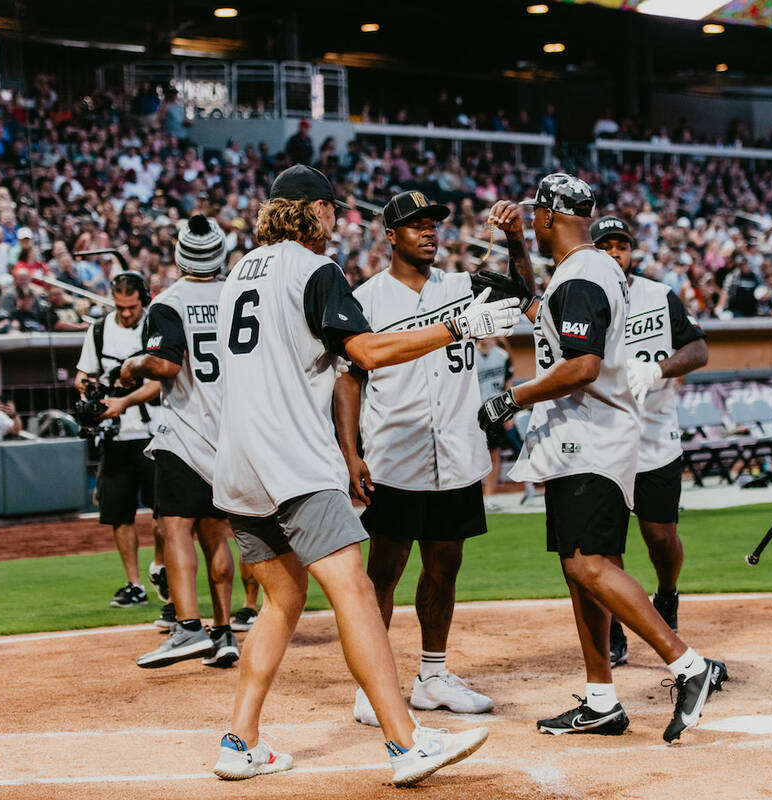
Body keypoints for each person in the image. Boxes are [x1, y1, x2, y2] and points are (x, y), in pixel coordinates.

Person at [210, 165, 511, 785]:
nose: (338, 221)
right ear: (315, 211)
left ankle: (239, 741)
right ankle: (405, 744)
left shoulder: (239, 269)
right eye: (333, 210)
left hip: (237, 462)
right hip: (292, 457)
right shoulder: (314, 269)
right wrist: (455, 326)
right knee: (354, 592)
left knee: (283, 598)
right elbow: (367, 353)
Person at [477, 174, 726, 743]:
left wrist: (509, 397)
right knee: (583, 570)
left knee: (589, 566)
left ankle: (688, 666)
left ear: (548, 217)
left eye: (535, 220)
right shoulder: (587, 272)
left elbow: (582, 366)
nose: (533, 227)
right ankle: (601, 699)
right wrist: (516, 249)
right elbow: (549, 315)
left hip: (587, 439)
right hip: (589, 438)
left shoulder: (583, 275)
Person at [334, 191, 496, 729]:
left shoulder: (463, 287)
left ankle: (433, 677)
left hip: (455, 450)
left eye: (434, 225)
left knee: (445, 565)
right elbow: (349, 381)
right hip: (394, 455)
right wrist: (350, 452)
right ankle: (372, 685)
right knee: (384, 570)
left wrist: (515, 242)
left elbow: (519, 296)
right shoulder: (366, 298)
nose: (429, 233)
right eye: (417, 225)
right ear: (391, 235)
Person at [590, 215, 709, 666]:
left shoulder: (659, 295)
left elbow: (699, 349)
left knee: (660, 536)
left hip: (656, 434)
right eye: (605, 246)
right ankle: (616, 625)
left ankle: (667, 592)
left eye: (621, 246)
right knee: (607, 543)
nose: (615, 253)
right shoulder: (583, 297)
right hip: (603, 437)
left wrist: (658, 368)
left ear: (632, 252)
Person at [123, 215, 239, 669]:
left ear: (180, 254)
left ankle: (188, 627)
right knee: (216, 535)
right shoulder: (236, 294)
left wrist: (134, 364)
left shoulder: (169, 302)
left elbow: (167, 366)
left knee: (174, 528)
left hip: (186, 430)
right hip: (230, 434)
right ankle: (224, 630)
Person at [74, 272, 167, 609]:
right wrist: (89, 391)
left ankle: (160, 565)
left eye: (131, 306)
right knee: (119, 513)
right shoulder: (99, 329)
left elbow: (162, 380)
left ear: (143, 299)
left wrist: (123, 402)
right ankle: (134, 583)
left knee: (163, 512)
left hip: (153, 431)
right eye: (120, 307)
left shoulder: (156, 325)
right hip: (115, 436)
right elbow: (83, 373)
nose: (126, 313)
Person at [475, 337, 514, 510]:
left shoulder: (502, 355)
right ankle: (474, 497)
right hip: (472, 411)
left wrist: (508, 412)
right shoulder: (469, 355)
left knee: (494, 455)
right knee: (470, 457)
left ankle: (489, 496)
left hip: (494, 411)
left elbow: (507, 384)